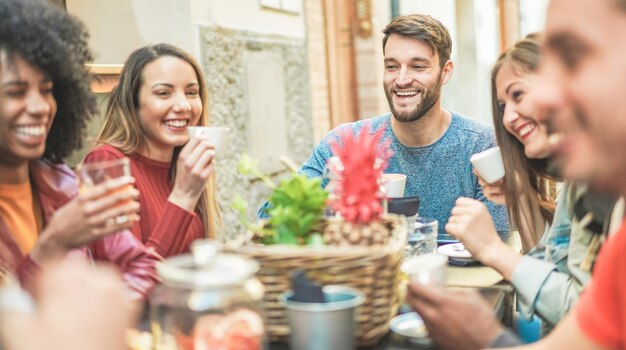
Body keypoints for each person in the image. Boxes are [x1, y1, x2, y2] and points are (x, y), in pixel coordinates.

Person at [259, 14, 508, 237]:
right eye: (391, 66)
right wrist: (333, 201)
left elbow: (500, 240)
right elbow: (270, 219)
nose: (401, 80)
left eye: (417, 66)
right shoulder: (347, 142)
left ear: (445, 72)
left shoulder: (480, 146)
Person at [0, 0, 158, 298]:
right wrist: (53, 245)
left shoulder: (63, 184)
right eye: (16, 92)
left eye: (47, 90)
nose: (40, 107)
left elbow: (142, 265)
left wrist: (101, 317)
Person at [84, 43, 220, 257]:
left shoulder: (182, 164)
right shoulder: (106, 163)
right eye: (164, 93)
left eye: (191, 92)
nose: (184, 105)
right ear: (133, 102)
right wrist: (183, 196)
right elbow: (129, 281)